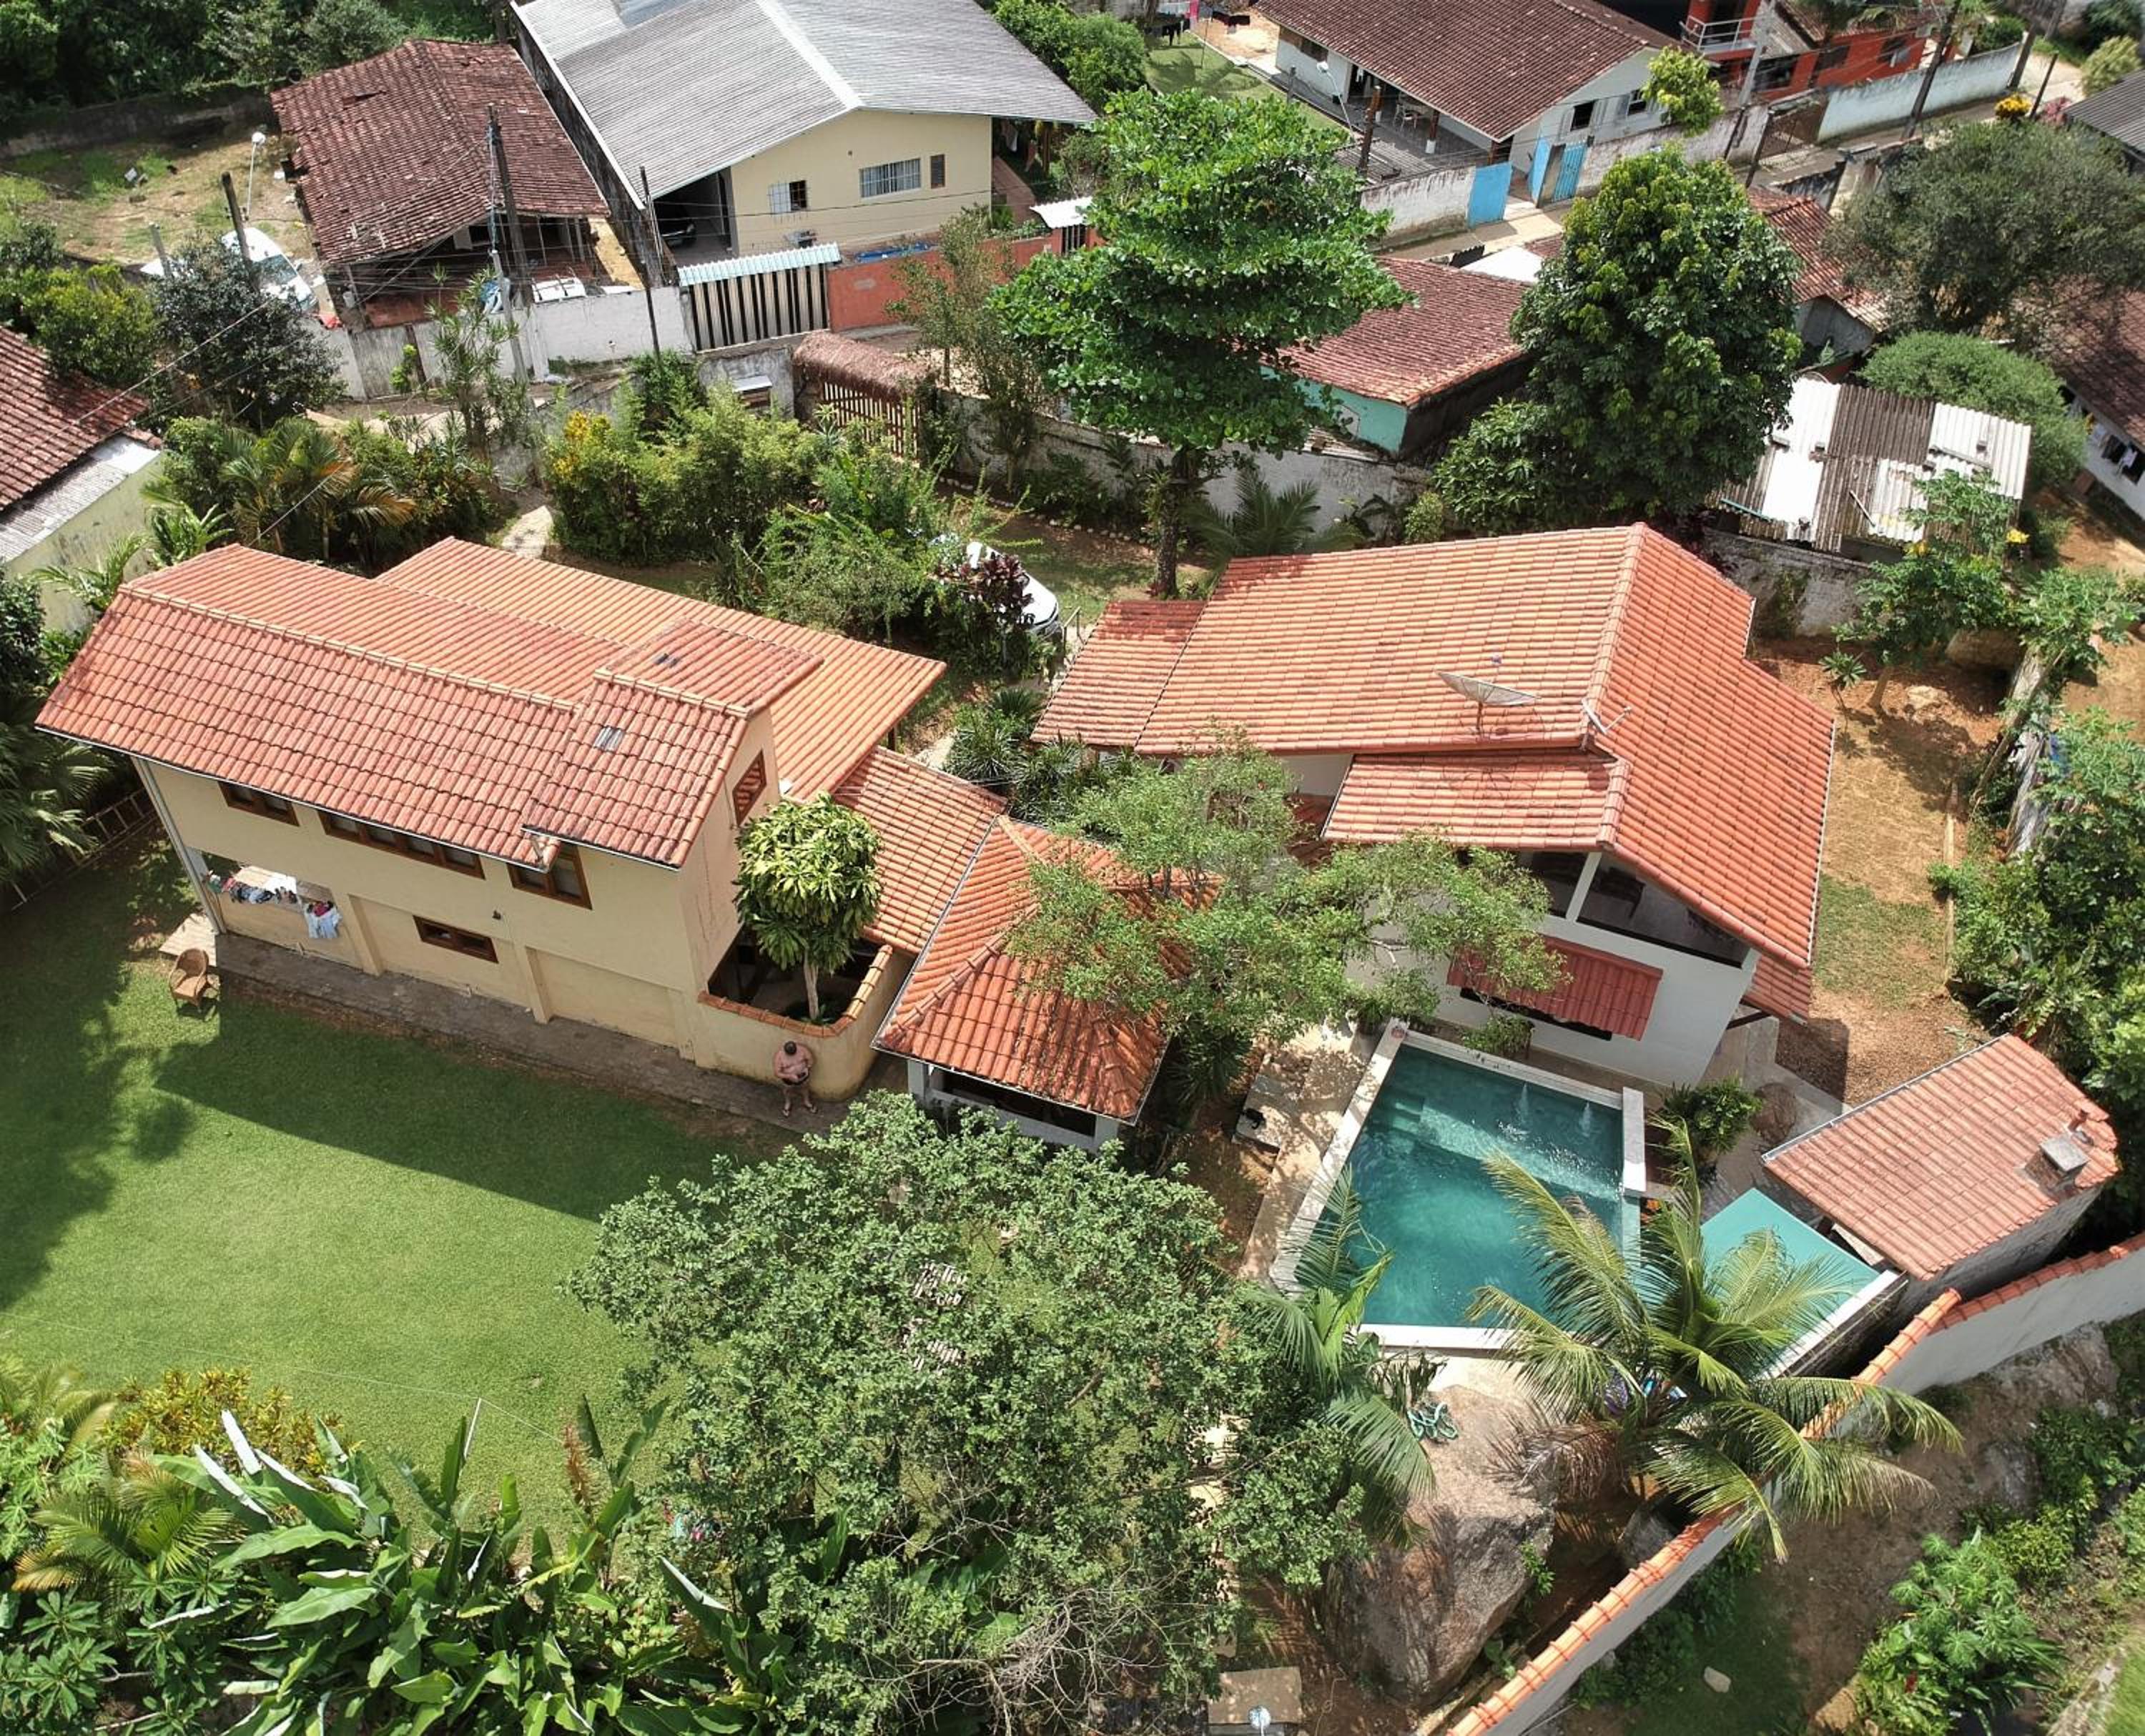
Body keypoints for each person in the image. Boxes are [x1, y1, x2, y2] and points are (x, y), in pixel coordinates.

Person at [775, 1038, 815, 1115]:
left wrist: (807, 1068)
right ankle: (788, 1103)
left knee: (805, 1088)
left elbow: (811, 1059)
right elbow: (777, 1073)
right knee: (787, 1091)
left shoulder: (802, 1050)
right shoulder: (779, 1056)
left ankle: (807, 1102)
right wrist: (789, 1076)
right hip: (788, 1080)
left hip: (803, 1076)